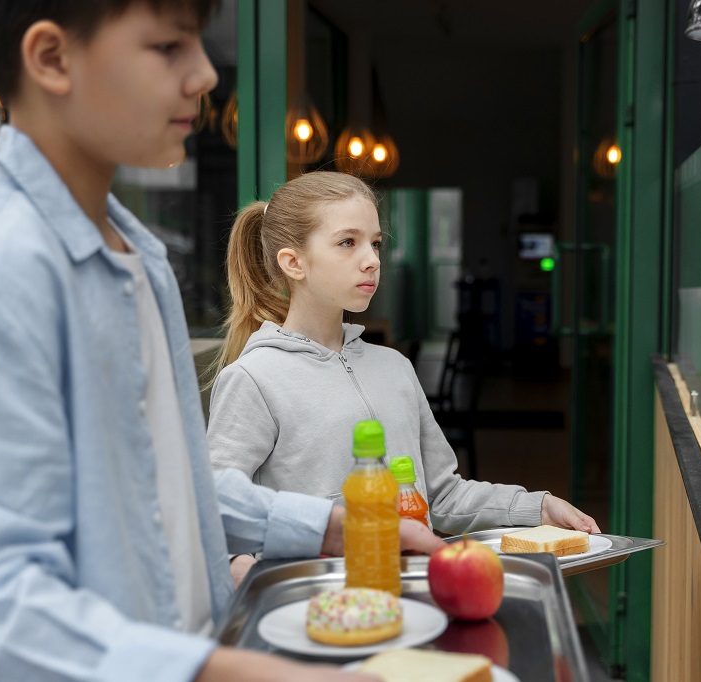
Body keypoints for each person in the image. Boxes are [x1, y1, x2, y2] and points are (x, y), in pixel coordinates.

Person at [0, 3, 442, 681]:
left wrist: (334, 526)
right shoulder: (0, 273)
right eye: (168, 47)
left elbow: (176, 489)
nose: (202, 75)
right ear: (51, 59)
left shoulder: (138, 256)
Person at [205, 170, 601, 579]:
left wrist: (536, 507)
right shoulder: (253, 378)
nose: (372, 259)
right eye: (348, 242)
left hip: (414, 596)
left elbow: (440, 494)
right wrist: (241, 568)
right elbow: (216, 510)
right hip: (320, 613)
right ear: (294, 263)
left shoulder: (394, 367)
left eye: (375, 243)